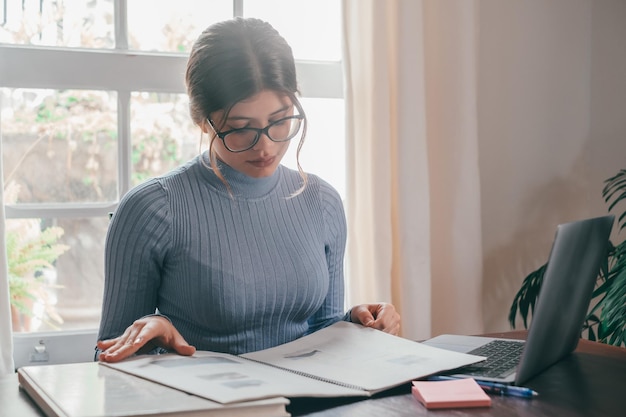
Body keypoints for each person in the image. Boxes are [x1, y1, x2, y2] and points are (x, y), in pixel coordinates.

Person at [97, 17, 400, 363]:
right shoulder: (152, 209)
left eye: (281, 120)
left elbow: (322, 336)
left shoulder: (323, 202)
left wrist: (358, 323)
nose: (266, 147)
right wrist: (158, 338)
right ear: (202, 121)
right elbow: (105, 363)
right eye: (241, 129)